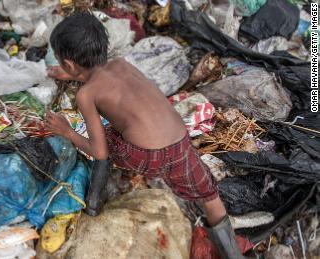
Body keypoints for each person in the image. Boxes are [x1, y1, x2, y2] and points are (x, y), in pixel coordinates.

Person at [44, 12, 244, 259]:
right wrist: (70, 74)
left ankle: (93, 204)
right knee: (209, 195)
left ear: (70, 64)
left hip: (146, 156)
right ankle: (233, 254)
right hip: (180, 142)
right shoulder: (121, 64)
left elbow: (99, 152)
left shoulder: (86, 94)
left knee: (104, 138)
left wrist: (67, 131)